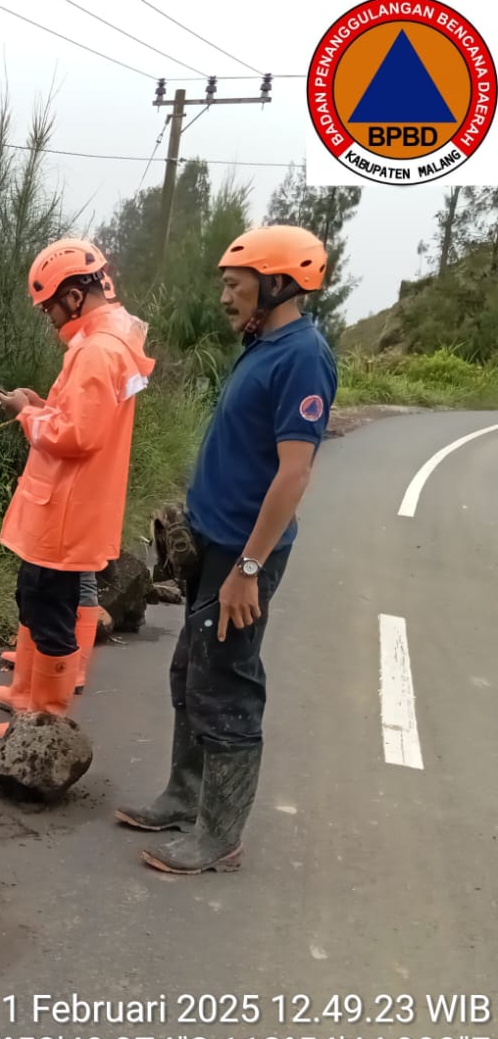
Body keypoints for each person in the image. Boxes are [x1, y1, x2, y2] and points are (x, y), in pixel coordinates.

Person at [115, 223, 337, 875]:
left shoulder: (303, 355)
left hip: (245, 555)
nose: (224, 297)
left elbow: (293, 473)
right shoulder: (263, 344)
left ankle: (220, 835)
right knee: (191, 671)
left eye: (234, 285)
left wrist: (248, 568)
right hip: (216, 546)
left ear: (276, 284)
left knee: (227, 683)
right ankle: (185, 798)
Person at [0, 238, 155, 743]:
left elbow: (77, 435)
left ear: (75, 297)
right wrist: (43, 405)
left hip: (66, 507)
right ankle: (28, 703)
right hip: (70, 504)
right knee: (36, 597)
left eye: (50, 308)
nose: (50, 319)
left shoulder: (99, 351)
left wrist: (25, 412)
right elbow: (85, 418)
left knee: (50, 607)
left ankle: (42, 727)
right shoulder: (112, 342)